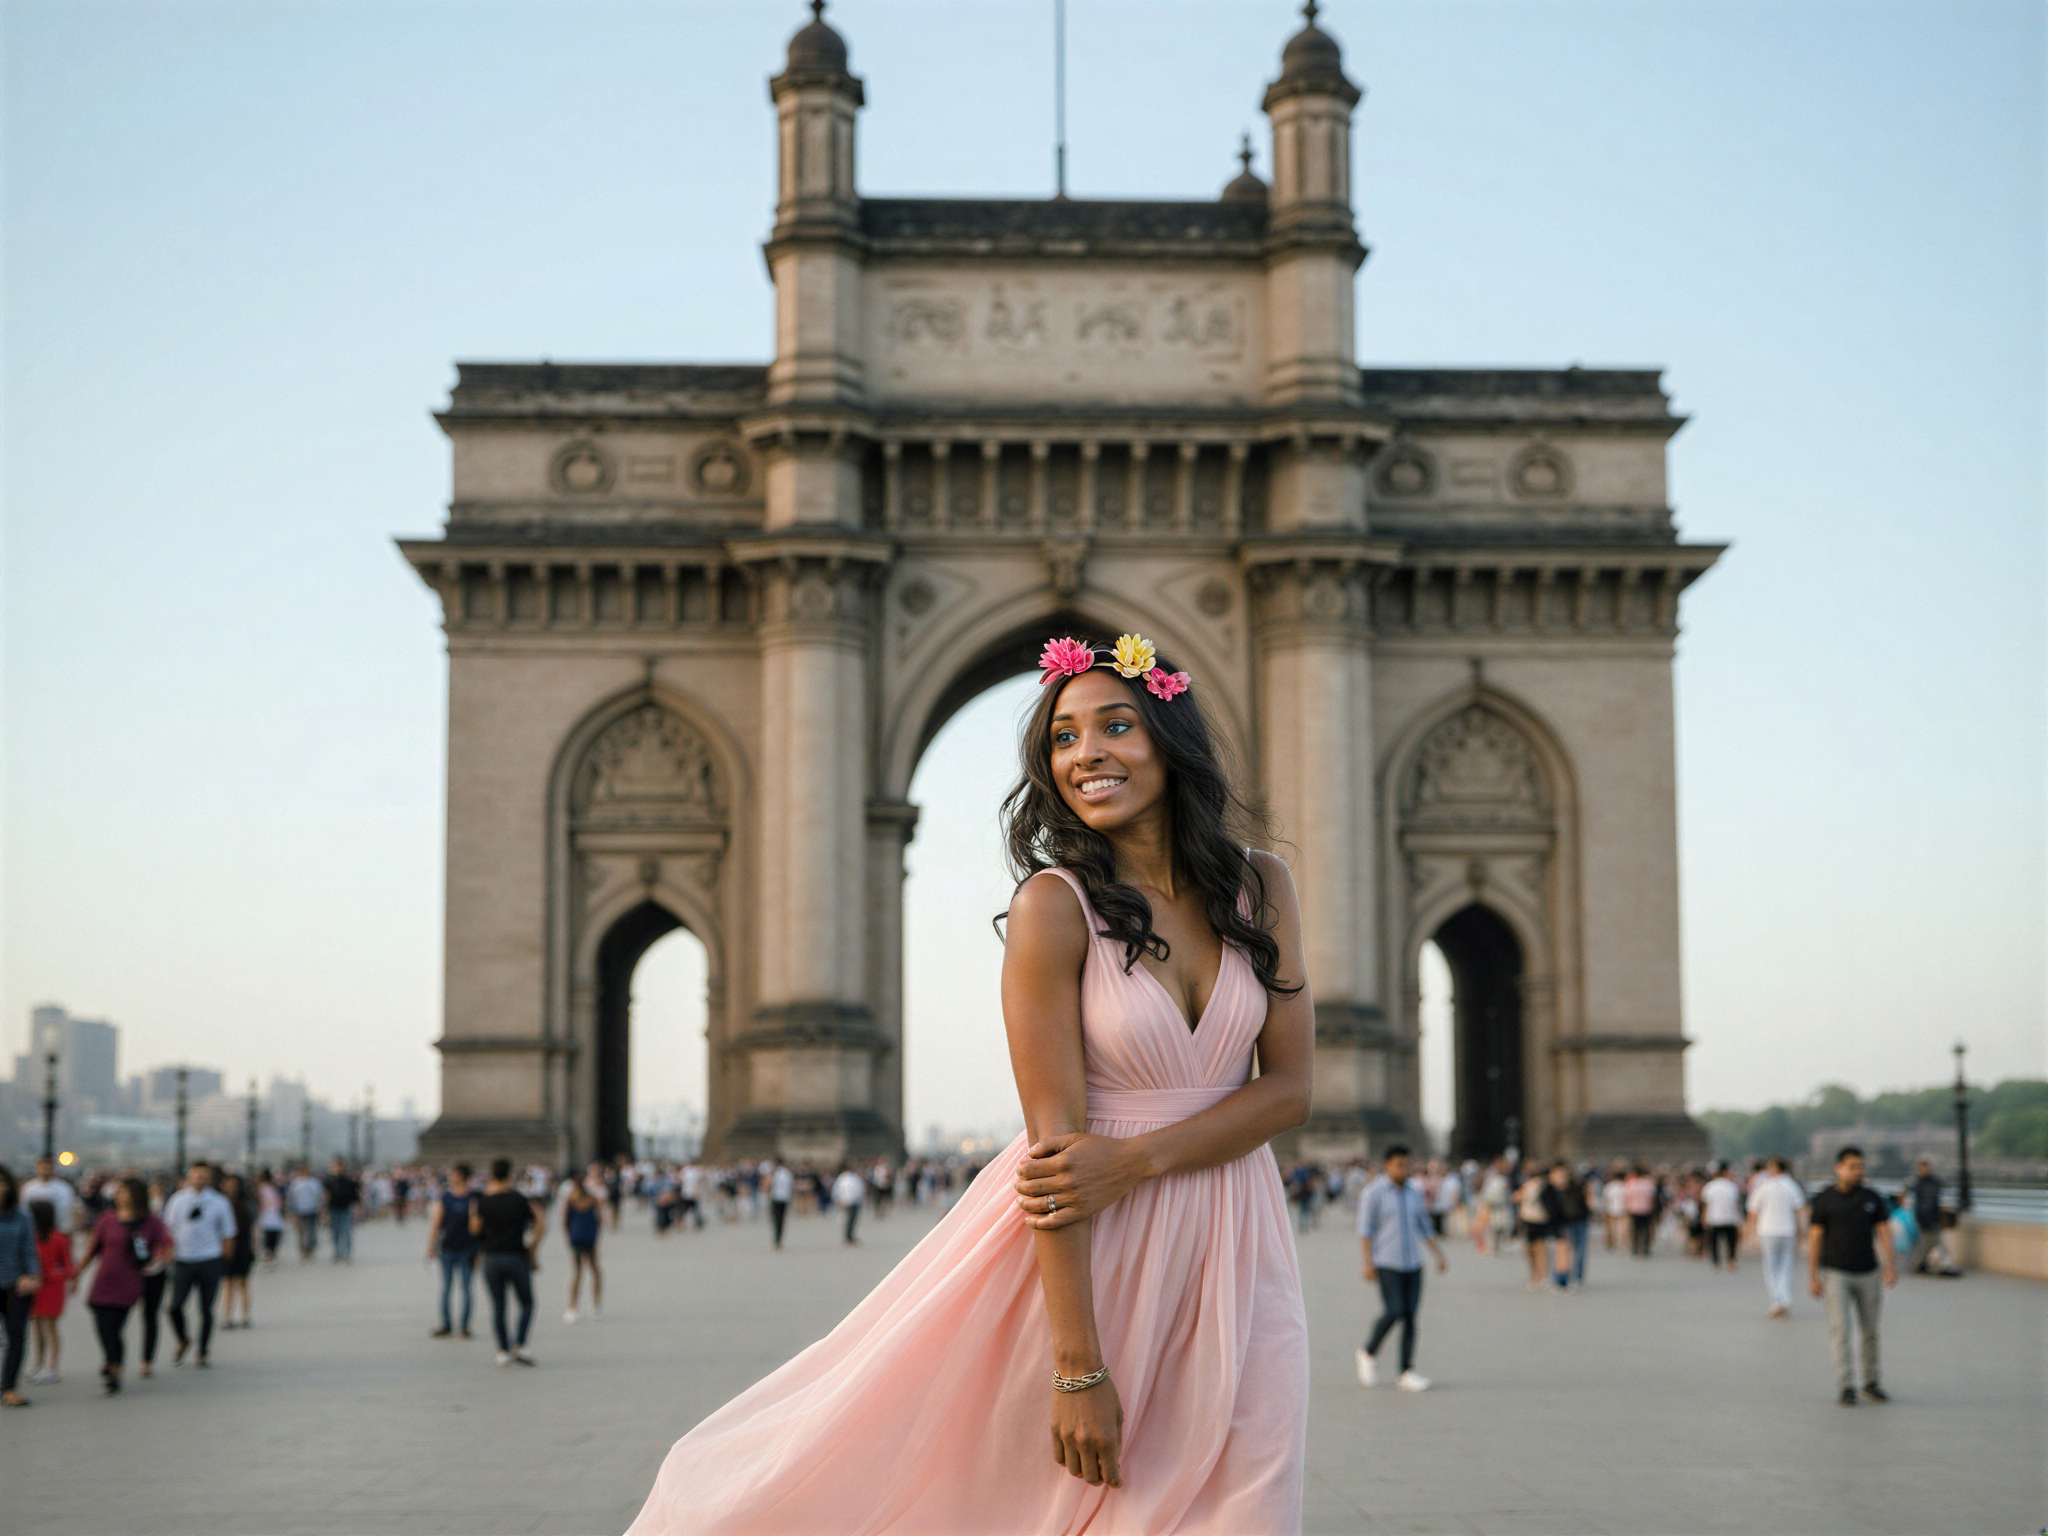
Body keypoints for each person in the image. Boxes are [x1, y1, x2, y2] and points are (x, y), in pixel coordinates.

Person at [625, 632, 1314, 1533]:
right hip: (1089, 1259)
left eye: (1116, 725)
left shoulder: (1263, 887)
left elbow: (1292, 1090)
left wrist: (1137, 1161)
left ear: (1171, 738)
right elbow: (1055, 1152)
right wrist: (1078, 1369)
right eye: (1064, 739)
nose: (1087, 755)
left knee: (1247, 1508)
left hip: (1237, 1251)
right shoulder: (1052, 908)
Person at [1807, 1146, 1897, 1405]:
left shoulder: (1872, 1197)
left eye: (1861, 1167)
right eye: (1853, 1167)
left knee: (1870, 1331)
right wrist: (1813, 1276)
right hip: (1836, 1273)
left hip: (1868, 1272)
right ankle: (1846, 1384)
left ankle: (1871, 1381)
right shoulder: (1825, 1199)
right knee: (1841, 1330)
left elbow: (1883, 1231)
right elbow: (1815, 1238)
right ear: (1839, 1168)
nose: (1858, 1172)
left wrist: (1889, 1265)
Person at [1354, 1144, 1448, 1391]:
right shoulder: (1373, 1193)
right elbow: (1364, 1230)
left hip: (1413, 1263)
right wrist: (1367, 1263)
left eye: (1408, 1165)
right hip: (1387, 1262)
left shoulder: (1413, 1193)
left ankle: (1406, 1371)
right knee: (1394, 1309)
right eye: (1400, 1165)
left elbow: (1424, 1226)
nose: (1405, 1169)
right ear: (1388, 1166)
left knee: (1410, 1317)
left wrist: (1439, 1255)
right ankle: (1368, 1351)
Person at [78, 1177, 173, 1395]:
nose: (120, 1196)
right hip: (104, 1278)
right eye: (119, 1192)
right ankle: (111, 1359)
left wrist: (156, 1264)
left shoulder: (150, 1222)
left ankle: (114, 1366)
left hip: (129, 1280)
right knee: (100, 1318)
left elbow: (168, 1245)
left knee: (114, 1324)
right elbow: (93, 1247)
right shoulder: (107, 1219)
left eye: (125, 1192)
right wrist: (77, 1273)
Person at [160, 1160, 238, 1368]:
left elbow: (228, 1233)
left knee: (206, 1309)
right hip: (183, 1260)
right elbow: (168, 1229)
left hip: (209, 1259)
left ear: (210, 1177)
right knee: (174, 1306)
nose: (200, 1178)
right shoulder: (177, 1200)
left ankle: (203, 1351)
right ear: (189, 1176)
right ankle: (183, 1338)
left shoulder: (219, 1201)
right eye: (196, 1174)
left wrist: (225, 1261)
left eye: (204, 1175)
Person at [472, 1158, 544, 1366]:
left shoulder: (483, 1201)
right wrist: (533, 1247)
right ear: (511, 1174)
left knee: (498, 1306)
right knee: (527, 1302)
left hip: (491, 1258)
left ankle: (503, 1350)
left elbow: (474, 1229)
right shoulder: (520, 1199)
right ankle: (520, 1344)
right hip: (516, 1256)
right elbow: (540, 1223)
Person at [1744, 1155, 1807, 1317]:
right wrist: (1803, 1232)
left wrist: (1751, 1234)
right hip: (1787, 1231)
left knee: (1771, 1268)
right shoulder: (1792, 1185)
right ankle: (1786, 1299)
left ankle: (1777, 1300)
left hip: (1768, 1231)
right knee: (1787, 1267)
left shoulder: (1764, 1186)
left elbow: (1753, 1211)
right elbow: (1800, 1210)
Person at [0, 1165, 41, 1407]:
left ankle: (9, 1387)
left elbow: (29, 1249)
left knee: (16, 1338)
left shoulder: (21, 1215)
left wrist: (32, 1275)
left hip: (16, 1285)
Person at [426, 1163, 480, 1338]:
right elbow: (436, 1223)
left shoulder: (474, 1199)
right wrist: (431, 1246)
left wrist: (480, 1250)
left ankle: (464, 1326)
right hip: (447, 1248)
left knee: (466, 1288)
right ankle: (446, 1324)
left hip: (468, 1249)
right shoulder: (444, 1198)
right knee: (446, 1288)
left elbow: (478, 1226)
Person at [28, 1199, 76, 1383]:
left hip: (51, 1287)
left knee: (50, 1327)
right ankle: (38, 1364)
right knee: (37, 1327)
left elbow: (68, 1265)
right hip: (37, 1287)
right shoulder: (32, 1237)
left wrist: (57, 1274)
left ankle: (52, 1367)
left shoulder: (57, 1238)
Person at [561, 1175, 604, 1322]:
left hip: (576, 1238)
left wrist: (569, 1237)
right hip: (589, 1238)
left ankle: (572, 1307)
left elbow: (565, 1222)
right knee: (595, 1270)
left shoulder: (570, 1200)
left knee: (577, 1273)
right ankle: (596, 1305)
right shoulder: (592, 1200)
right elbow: (599, 1220)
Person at [218, 1173, 257, 1329]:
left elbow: (252, 1226)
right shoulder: (220, 1203)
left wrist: (254, 1246)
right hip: (226, 1246)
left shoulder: (246, 1204)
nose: (231, 1189)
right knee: (227, 1283)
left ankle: (245, 1315)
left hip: (243, 1245)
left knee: (243, 1282)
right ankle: (228, 1316)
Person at [1547, 1162, 1590, 1290]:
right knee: (1564, 1249)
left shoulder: (1576, 1187)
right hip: (1565, 1222)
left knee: (1579, 1248)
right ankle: (1562, 1276)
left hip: (1579, 1220)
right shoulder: (1552, 1191)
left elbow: (1585, 1203)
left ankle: (1576, 1276)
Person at [20, 1156, 77, 1238]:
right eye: (42, 1167)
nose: (45, 1169)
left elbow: (66, 1209)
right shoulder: (28, 1188)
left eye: (47, 1167)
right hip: (33, 1232)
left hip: (57, 1231)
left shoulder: (64, 1188)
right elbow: (24, 1208)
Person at [1904, 1157, 1944, 1273]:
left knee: (1927, 1241)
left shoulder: (1922, 1181)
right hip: (1924, 1216)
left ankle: (1919, 1264)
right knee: (1926, 1241)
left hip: (1929, 1215)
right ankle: (1917, 1264)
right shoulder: (1921, 1181)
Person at [1701, 1163, 1742, 1272]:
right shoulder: (1731, 1186)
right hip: (1730, 1217)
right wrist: (1739, 1218)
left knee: (1714, 1242)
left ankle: (1715, 1263)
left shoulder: (1709, 1186)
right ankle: (1731, 1261)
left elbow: (1706, 1204)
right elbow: (1736, 1203)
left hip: (1714, 1217)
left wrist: (1704, 1217)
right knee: (1731, 1242)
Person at [324, 1158, 361, 1263]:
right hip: (333, 1209)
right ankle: (337, 1253)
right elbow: (326, 1196)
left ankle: (347, 1253)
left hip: (345, 1209)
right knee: (335, 1232)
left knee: (346, 1232)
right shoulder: (329, 1181)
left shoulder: (348, 1181)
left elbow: (355, 1196)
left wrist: (358, 1209)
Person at [287, 1165, 324, 1259]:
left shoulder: (314, 1183)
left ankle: (309, 1248)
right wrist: (291, 1211)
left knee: (311, 1231)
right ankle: (303, 1249)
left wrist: (320, 1208)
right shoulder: (295, 1183)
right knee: (301, 1231)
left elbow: (319, 1196)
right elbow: (291, 1198)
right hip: (299, 1210)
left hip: (312, 1209)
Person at [1622, 1163, 1657, 1257]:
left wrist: (1627, 1207)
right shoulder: (1648, 1183)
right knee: (1646, 1229)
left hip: (1634, 1209)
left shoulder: (1631, 1183)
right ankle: (1645, 1248)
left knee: (1635, 1230)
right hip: (1646, 1209)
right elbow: (1652, 1197)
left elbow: (1627, 1197)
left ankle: (1635, 1247)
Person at [829, 1163, 867, 1247]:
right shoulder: (851, 1178)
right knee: (849, 1220)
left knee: (851, 1220)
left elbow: (836, 1190)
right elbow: (859, 1189)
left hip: (850, 1200)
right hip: (850, 1201)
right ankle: (848, 1237)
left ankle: (850, 1236)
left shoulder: (843, 1178)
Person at [256, 1170, 286, 1268]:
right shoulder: (271, 1188)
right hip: (271, 1213)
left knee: (269, 1234)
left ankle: (269, 1252)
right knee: (270, 1234)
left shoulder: (265, 1188)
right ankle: (270, 1252)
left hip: (270, 1213)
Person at [766, 1160, 794, 1250]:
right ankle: (780, 1239)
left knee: (775, 1219)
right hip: (785, 1197)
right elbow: (791, 1186)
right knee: (782, 1220)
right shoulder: (788, 1173)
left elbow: (768, 1184)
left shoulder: (774, 1173)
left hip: (776, 1197)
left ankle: (776, 1239)